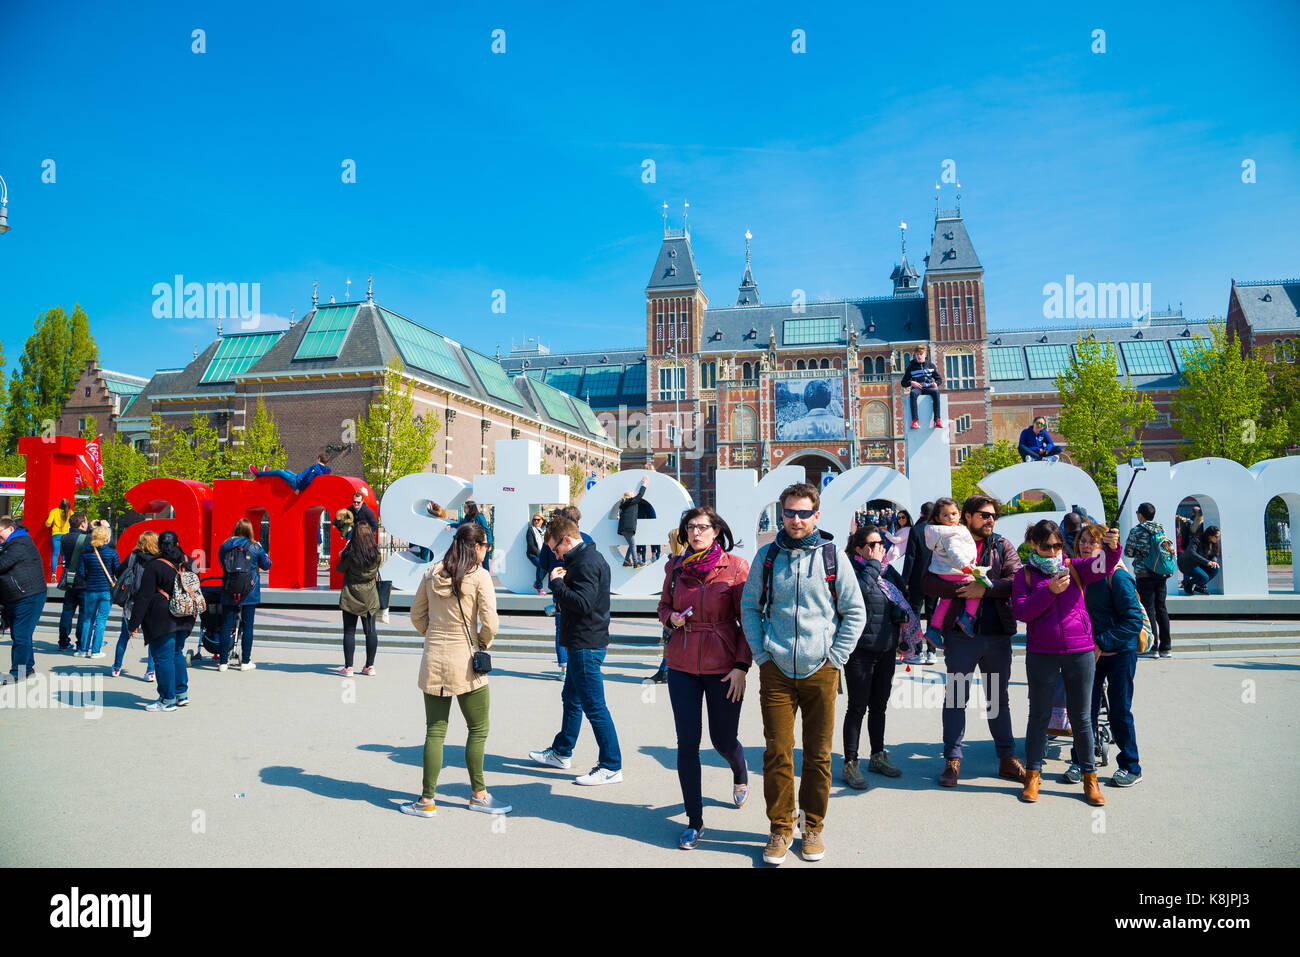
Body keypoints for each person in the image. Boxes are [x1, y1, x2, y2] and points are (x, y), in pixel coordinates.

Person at [739, 482, 866, 866]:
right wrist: (762, 654)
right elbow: (749, 608)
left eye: (803, 513)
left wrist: (836, 656)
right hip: (776, 669)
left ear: (816, 515)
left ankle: (812, 827)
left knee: (818, 755)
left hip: (821, 670)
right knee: (777, 752)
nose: (796, 520)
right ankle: (780, 827)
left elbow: (854, 611)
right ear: (782, 514)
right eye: (790, 513)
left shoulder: (833, 557)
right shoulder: (767, 556)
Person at [657, 506, 751, 849]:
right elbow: (663, 607)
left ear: (716, 531)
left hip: (724, 667)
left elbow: (748, 621)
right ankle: (694, 820)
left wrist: (741, 666)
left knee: (723, 740)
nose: (695, 533)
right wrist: (672, 619)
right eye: (690, 527)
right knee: (687, 743)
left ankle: (740, 773)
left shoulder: (736, 567)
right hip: (682, 664)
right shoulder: (675, 568)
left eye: (702, 527)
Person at [402, 522, 510, 817]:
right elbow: (491, 624)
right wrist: (481, 644)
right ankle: (479, 795)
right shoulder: (479, 577)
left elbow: (416, 615)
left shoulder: (431, 573)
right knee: (478, 729)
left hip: (434, 659)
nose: (487, 551)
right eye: (485, 546)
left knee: (435, 731)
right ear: (474, 547)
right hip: (467, 662)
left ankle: (426, 801)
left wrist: (433, 633)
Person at [1011, 519, 1121, 806]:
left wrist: (1113, 546)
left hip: (1080, 649)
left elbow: (1105, 565)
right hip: (1042, 652)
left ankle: (1090, 778)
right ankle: (1033, 775)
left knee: (1083, 718)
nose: (1052, 551)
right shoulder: (1024, 575)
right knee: (1039, 716)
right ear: (1034, 545)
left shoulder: (1074, 566)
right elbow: (1022, 612)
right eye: (1046, 546)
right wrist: (1050, 592)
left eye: (1058, 545)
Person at [923, 494, 1028, 788]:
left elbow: (1016, 581)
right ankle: (953, 760)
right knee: (956, 697)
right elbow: (927, 582)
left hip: (995, 635)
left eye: (993, 515)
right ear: (966, 516)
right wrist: (959, 590)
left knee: (997, 699)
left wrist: (984, 590)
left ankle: (1007, 758)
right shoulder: (946, 540)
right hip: (960, 637)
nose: (990, 520)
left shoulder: (1002, 545)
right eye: (984, 514)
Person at [528, 515, 623, 786]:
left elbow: (582, 604)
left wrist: (557, 585)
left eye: (556, 549)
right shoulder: (584, 560)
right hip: (583, 642)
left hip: (585, 644)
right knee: (571, 698)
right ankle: (561, 752)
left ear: (567, 540)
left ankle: (611, 765)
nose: (556, 555)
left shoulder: (586, 563)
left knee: (594, 707)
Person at [1069, 523, 1144, 787]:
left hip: (1119, 652)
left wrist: (1101, 642)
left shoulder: (1117, 576)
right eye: (1083, 540)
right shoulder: (1077, 574)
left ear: (1104, 547)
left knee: (1119, 710)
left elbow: (1133, 620)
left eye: (1093, 541)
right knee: (1083, 711)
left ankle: (1131, 766)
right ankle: (1080, 761)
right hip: (1087, 652)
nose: (1086, 545)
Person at [841, 525, 910, 790]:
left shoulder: (887, 570)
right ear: (858, 548)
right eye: (871, 544)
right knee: (857, 706)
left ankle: (877, 755)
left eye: (880, 543)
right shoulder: (851, 570)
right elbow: (858, 593)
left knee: (879, 706)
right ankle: (851, 762)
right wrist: (872, 564)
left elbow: (902, 595)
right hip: (860, 650)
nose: (878, 548)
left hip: (886, 647)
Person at [128, 530, 197, 711]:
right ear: (177, 542)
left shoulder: (155, 566)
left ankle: (167, 699)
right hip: (185, 614)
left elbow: (144, 597)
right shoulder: (189, 561)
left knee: (163, 657)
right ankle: (181, 694)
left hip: (162, 617)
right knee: (176, 653)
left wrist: (133, 623)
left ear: (159, 545)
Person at [922, 496, 989, 646]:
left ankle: (934, 630)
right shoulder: (951, 533)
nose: (950, 517)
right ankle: (968, 618)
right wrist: (965, 567)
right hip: (956, 571)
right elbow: (955, 553)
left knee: (945, 602)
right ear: (938, 518)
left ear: (959, 514)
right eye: (945, 515)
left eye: (953, 513)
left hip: (945, 572)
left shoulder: (942, 532)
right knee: (977, 587)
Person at [536, 505, 593, 679]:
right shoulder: (587, 539)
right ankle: (578, 664)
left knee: (561, 628)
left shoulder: (551, 540)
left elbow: (543, 564)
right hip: (579, 587)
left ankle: (564, 668)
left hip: (559, 586)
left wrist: (540, 581)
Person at [217, 519, 272, 672]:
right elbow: (267, 565)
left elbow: (223, 564)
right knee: (248, 626)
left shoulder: (225, 545)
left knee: (226, 626)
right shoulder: (255, 547)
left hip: (229, 589)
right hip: (250, 591)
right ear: (250, 530)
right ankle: (245, 662)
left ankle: (223, 662)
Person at [1124, 502, 1174, 659]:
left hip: (1144, 574)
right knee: (1162, 609)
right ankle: (1167, 647)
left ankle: (1153, 648)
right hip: (1161, 574)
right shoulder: (1161, 529)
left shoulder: (1136, 531)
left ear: (1140, 514)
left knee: (1149, 610)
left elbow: (1128, 552)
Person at [0, 517, 47, 684]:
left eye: (0, 534)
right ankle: (27, 667)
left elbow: (2, 564)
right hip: (22, 595)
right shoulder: (14, 543)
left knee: (21, 634)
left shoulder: (19, 543)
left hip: (28, 595)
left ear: (10, 529)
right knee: (22, 634)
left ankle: (17, 672)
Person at [111, 531, 158, 679]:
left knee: (124, 636)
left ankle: (117, 667)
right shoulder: (158, 559)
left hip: (132, 602)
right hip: (152, 603)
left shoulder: (132, 557)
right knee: (152, 638)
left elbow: (119, 572)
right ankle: (150, 671)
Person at [336, 523, 381, 676]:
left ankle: (349, 667)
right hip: (370, 597)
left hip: (351, 596)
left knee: (349, 632)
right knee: (371, 631)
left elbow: (340, 569)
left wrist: (343, 552)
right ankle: (370, 666)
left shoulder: (351, 553)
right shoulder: (376, 553)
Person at [75, 524, 121, 658]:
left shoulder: (86, 553)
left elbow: (81, 573)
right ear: (107, 538)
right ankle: (95, 651)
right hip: (106, 590)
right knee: (101, 620)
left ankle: (83, 649)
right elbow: (117, 571)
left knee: (87, 619)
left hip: (90, 590)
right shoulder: (112, 553)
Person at [902, 501, 936, 664]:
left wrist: (905, 580)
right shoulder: (937, 530)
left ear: (921, 513)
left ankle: (918, 651)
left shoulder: (915, 530)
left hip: (917, 579)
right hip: (935, 578)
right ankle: (932, 651)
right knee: (932, 614)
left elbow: (910, 557)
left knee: (914, 614)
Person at [55, 513, 90, 651]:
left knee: (67, 611)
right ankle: (81, 642)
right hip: (83, 579)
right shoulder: (87, 539)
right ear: (82, 524)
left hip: (69, 579)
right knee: (83, 613)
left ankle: (63, 641)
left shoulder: (64, 538)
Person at [900, 343, 944, 429]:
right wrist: (912, 383)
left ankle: (937, 420)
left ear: (925, 355)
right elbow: (903, 382)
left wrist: (936, 384)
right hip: (917, 388)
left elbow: (939, 379)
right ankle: (915, 421)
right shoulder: (911, 367)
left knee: (936, 392)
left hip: (928, 388)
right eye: (917, 354)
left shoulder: (931, 366)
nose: (919, 356)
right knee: (912, 393)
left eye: (921, 354)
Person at [250, 452, 331, 490]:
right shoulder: (323, 470)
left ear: (319, 459)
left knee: (279, 472)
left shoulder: (316, 468)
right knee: (287, 471)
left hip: (297, 483)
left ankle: (258, 474)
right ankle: (267, 474)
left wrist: (299, 489)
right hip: (298, 478)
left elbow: (308, 480)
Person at [1179, 525, 1221, 596]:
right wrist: (1207, 562)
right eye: (1217, 537)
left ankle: (1198, 587)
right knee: (1205, 578)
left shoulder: (1213, 543)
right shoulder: (1197, 539)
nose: (1218, 539)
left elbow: (1214, 554)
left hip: (1199, 564)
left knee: (1215, 569)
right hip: (1187, 564)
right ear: (1210, 536)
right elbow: (1191, 553)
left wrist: (1214, 561)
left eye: (1219, 536)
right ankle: (1187, 583)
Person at [617, 476, 649, 568]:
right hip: (628, 528)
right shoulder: (631, 501)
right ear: (630, 496)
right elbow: (640, 495)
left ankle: (626, 561)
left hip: (625, 528)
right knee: (633, 545)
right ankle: (636, 562)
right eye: (632, 493)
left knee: (632, 544)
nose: (634, 494)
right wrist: (644, 484)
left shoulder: (626, 503)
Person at [45, 498, 72, 581]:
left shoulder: (54, 511)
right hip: (66, 535)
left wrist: (46, 523)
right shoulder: (70, 512)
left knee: (55, 554)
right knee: (65, 554)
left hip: (56, 535)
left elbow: (48, 523)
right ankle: (65, 573)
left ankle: (54, 573)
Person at [525, 512, 546, 594]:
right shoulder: (531, 530)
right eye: (534, 520)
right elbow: (531, 545)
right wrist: (541, 555)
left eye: (538, 519)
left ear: (542, 521)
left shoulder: (545, 530)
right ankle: (540, 588)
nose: (536, 521)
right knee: (541, 564)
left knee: (547, 566)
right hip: (533, 554)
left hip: (543, 554)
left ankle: (537, 583)